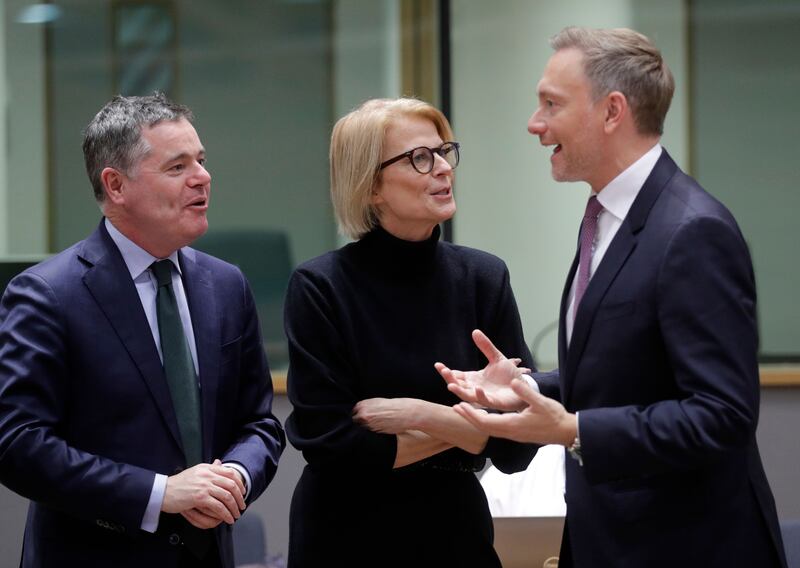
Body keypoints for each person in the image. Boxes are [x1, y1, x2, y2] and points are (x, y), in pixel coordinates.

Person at [437, 27, 787, 567]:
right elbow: (627, 376)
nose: (535, 124)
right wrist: (527, 388)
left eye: (551, 104)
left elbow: (722, 414)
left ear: (612, 111)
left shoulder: (693, 230)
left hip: (686, 547)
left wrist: (572, 430)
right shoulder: (605, 218)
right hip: (609, 540)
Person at [0, 93, 285, 568]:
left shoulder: (227, 284)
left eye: (201, 160)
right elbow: (18, 444)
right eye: (177, 167)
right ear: (115, 185)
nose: (203, 177)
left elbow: (258, 423)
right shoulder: (47, 294)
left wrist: (236, 474)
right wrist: (160, 493)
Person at [283, 98, 537, 567]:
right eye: (420, 157)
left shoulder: (483, 278)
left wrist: (423, 415)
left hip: (455, 531)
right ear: (372, 185)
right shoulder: (320, 286)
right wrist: (477, 427)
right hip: (346, 538)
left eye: (444, 151)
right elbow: (335, 449)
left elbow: (521, 442)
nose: (443, 168)